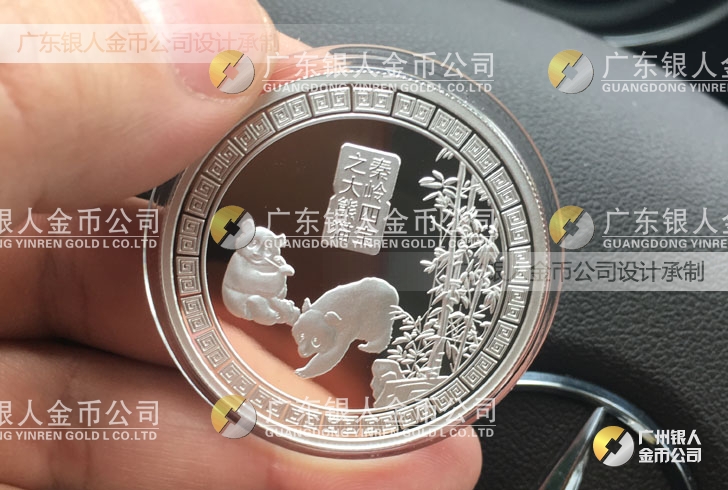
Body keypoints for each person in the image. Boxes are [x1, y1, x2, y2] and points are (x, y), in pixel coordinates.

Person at [0, 0, 482, 488]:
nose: (270, 253)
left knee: (360, 332)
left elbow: (323, 330)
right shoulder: (273, 279)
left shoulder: (323, 306)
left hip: (365, 302)